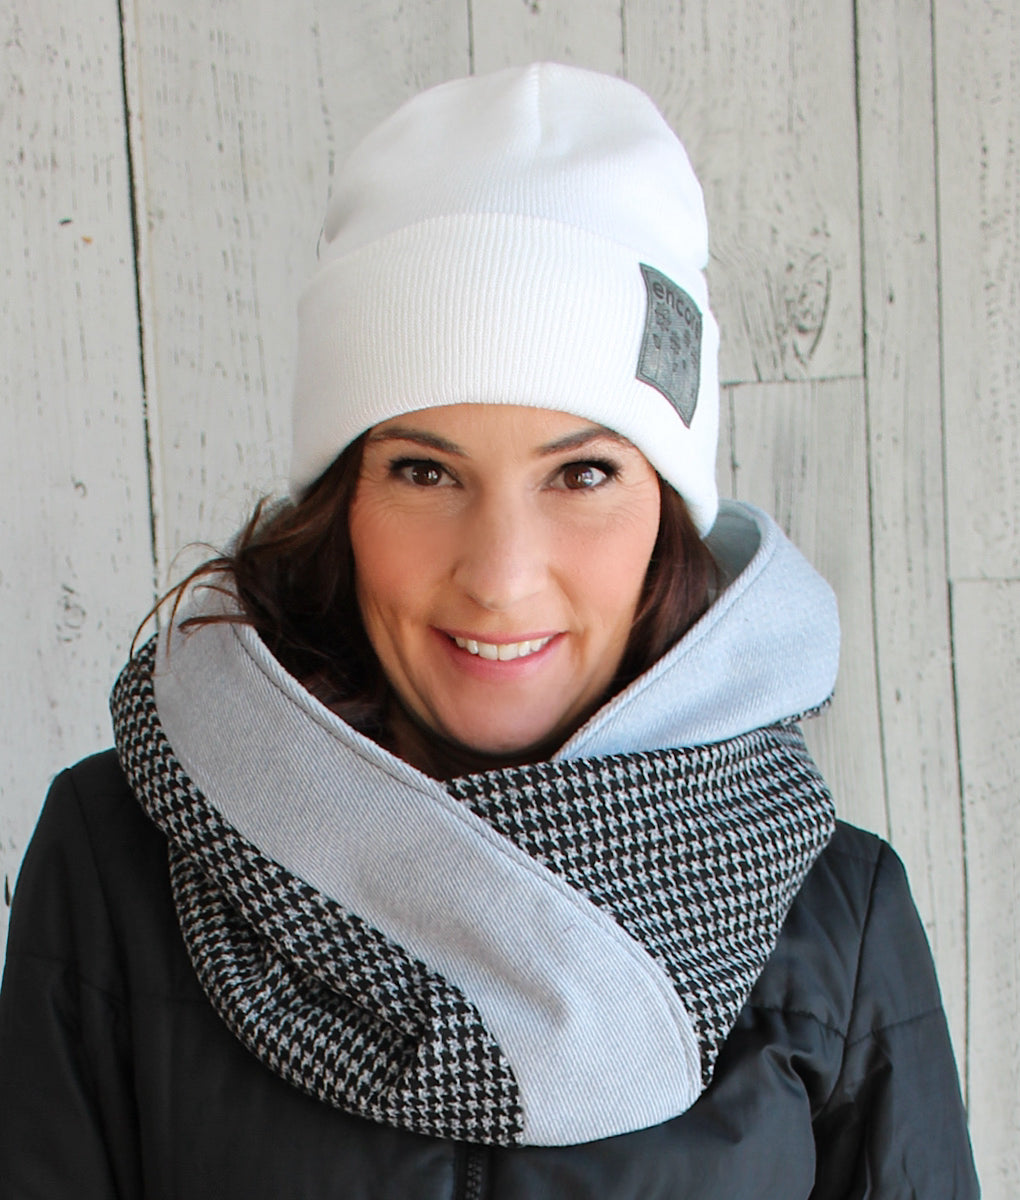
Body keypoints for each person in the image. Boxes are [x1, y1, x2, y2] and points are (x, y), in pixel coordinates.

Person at [0, 63, 978, 1198]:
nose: (502, 579)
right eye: (426, 471)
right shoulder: (121, 861)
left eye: (582, 474)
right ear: (343, 504)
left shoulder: (834, 921)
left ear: (665, 511)